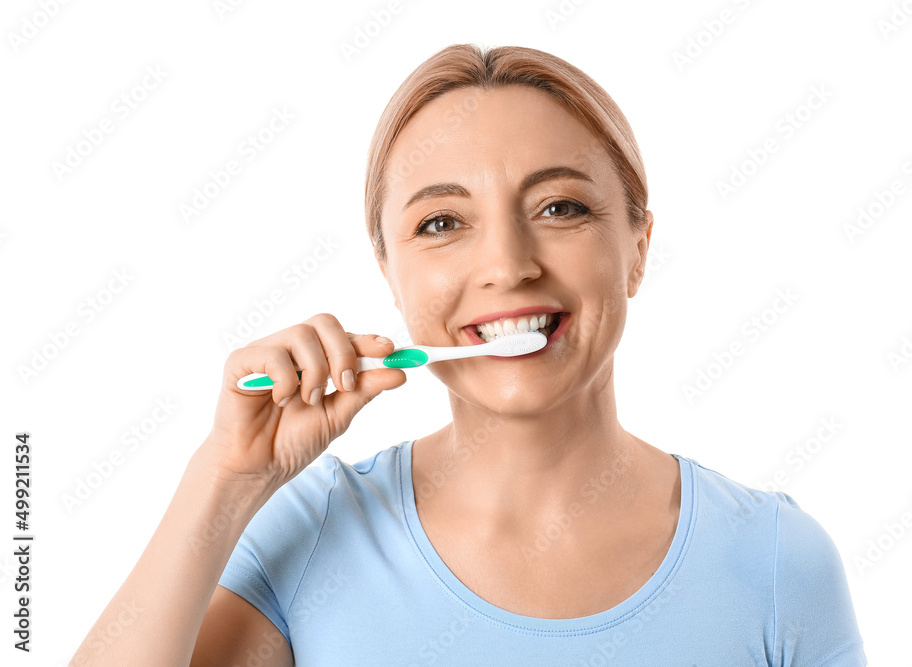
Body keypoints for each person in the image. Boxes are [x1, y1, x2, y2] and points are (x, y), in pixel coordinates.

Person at [71, 43, 867, 666]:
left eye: (561, 207)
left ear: (637, 247)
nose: (508, 264)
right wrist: (223, 481)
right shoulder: (314, 539)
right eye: (442, 223)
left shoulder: (775, 561)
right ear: (390, 271)